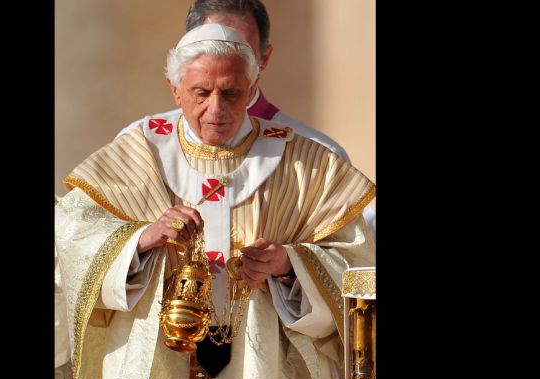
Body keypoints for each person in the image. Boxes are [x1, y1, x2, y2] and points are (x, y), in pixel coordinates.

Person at [55, 24, 375, 379]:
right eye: (200, 93)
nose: (216, 109)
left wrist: (291, 266)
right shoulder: (138, 153)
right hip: (156, 370)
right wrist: (140, 240)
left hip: (261, 376)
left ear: (254, 86)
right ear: (174, 89)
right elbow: (71, 237)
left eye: (231, 93)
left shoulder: (306, 164)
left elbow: (358, 265)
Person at [117, 0, 376, 240]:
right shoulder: (141, 145)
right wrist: (140, 239)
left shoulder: (316, 157)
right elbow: (86, 236)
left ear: (263, 60)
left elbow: (356, 255)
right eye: (211, 45)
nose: (224, 56)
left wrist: (288, 264)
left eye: (240, 49)